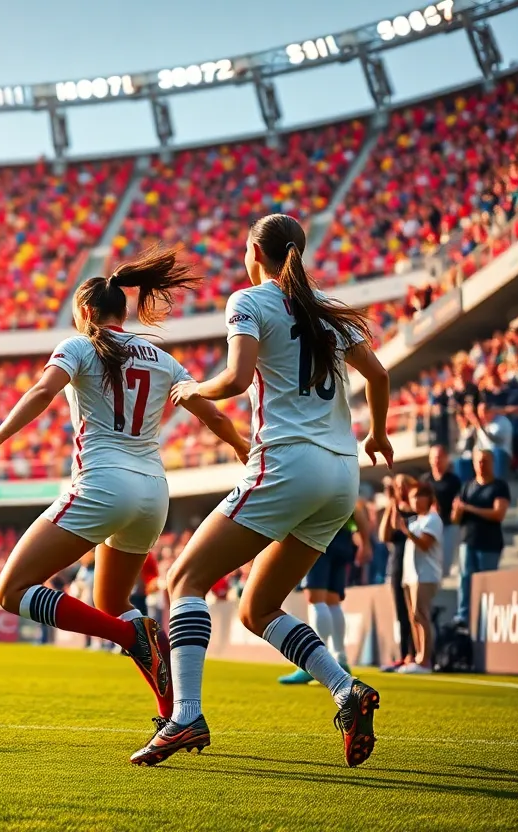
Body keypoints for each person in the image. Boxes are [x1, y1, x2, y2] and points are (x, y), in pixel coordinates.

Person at [143, 214, 392, 768]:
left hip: (288, 463)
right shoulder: (326, 308)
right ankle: (346, 691)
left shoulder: (250, 301)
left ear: (255, 248)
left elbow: (234, 379)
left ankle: (186, 715)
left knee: (183, 578)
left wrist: (189, 389)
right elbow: (377, 376)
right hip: (341, 475)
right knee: (258, 608)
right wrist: (376, 431)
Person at [0, 246, 250, 719]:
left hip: (103, 485)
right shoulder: (161, 357)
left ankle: (128, 636)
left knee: (11, 591)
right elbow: (211, 412)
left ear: (85, 312)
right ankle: (174, 708)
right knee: (114, 601)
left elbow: (41, 392)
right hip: (154, 494)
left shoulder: (78, 345)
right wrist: (242, 448)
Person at [278, 501, 371, 684]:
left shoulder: (318, 476)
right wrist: (366, 543)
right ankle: (340, 660)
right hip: (342, 538)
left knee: (315, 598)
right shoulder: (344, 479)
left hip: (319, 534)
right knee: (332, 600)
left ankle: (317, 662)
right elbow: (358, 509)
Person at [452, 447, 512, 623]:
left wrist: (469, 508)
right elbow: (455, 518)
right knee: (464, 580)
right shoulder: (467, 487)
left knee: (487, 582)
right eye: (478, 461)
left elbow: (498, 514)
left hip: (489, 544)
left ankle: (486, 617)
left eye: (485, 461)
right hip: (467, 540)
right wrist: (457, 510)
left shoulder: (499, 486)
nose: (481, 465)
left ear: (493, 463)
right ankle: (463, 616)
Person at [390, 481, 443, 674]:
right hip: (411, 575)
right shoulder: (416, 521)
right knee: (414, 616)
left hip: (425, 575)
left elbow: (425, 544)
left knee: (422, 614)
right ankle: (418, 656)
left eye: (420, 495)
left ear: (429, 498)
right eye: (413, 496)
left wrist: (406, 532)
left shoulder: (432, 519)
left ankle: (425, 660)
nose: (416, 500)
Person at [378, 474, 417, 672]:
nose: (400, 489)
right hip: (396, 564)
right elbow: (384, 535)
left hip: (414, 564)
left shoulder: (417, 510)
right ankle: (403, 655)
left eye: (404, 485)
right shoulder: (395, 510)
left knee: (414, 612)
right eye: (397, 486)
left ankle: (416, 653)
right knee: (401, 613)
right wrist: (391, 504)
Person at [422, 445, 462, 579]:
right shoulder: (424, 481)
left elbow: (458, 502)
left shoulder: (454, 481)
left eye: (439, 457)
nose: (436, 461)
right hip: (429, 527)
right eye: (433, 458)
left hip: (448, 526)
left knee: (444, 562)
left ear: (446, 459)